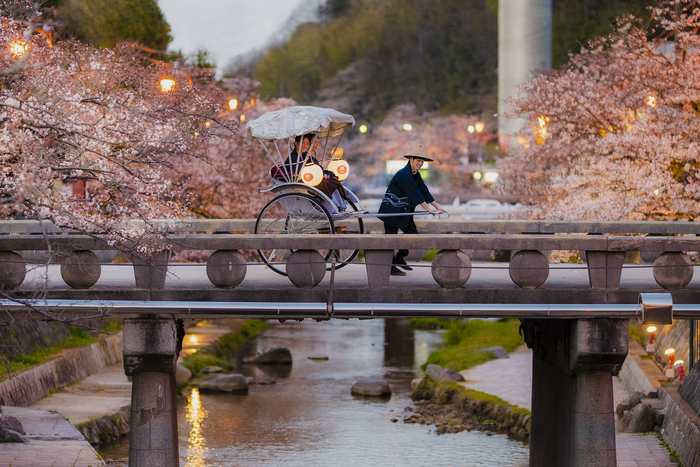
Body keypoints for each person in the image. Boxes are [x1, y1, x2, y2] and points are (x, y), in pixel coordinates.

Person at [378, 145, 444, 276]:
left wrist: (437, 207)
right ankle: (390, 268)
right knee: (390, 240)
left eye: (422, 161)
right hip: (391, 210)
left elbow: (424, 191)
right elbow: (415, 194)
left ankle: (400, 258)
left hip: (403, 212)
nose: (420, 163)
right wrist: (428, 209)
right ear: (411, 159)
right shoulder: (404, 174)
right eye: (418, 160)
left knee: (412, 233)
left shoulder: (416, 175)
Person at [284, 134, 347, 213]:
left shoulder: (302, 157)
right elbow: (297, 173)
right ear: (296, 143)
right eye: (302, 143)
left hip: (307, 180)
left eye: (307, 143)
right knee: (324, 184)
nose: (305, 145)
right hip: (300, 183)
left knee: (331, 181)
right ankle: (332, 209)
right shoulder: (293, 157)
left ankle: (339, 206)